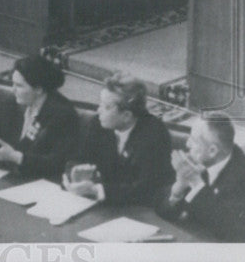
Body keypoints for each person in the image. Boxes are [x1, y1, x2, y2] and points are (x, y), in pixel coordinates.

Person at [65, 72, 174, 207]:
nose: (98, 110)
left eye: (106, 107)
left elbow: (145, 189)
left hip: (139, 211)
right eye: (100, 104)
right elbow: (77, 157)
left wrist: (96, 190)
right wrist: (75, 172)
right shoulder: (97, 124)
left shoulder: (154, 135)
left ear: (126, 116)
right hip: (106, 206)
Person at [156, 112, 245, 241]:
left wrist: (197, 185)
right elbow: (162, 211)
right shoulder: (202, 161)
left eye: (194, 140)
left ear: (212, 151)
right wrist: (178, 188)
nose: (187, 144)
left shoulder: (244, 176)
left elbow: (228, 230)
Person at [0, 55, 80, 181]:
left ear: (38, 89)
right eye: (12, 84)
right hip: (6, 177)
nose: (13, 90)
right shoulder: (11, 102)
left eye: (19, 86)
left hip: (39, 184)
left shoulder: (63, 115)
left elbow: (56, 164)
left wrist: (16, 157)